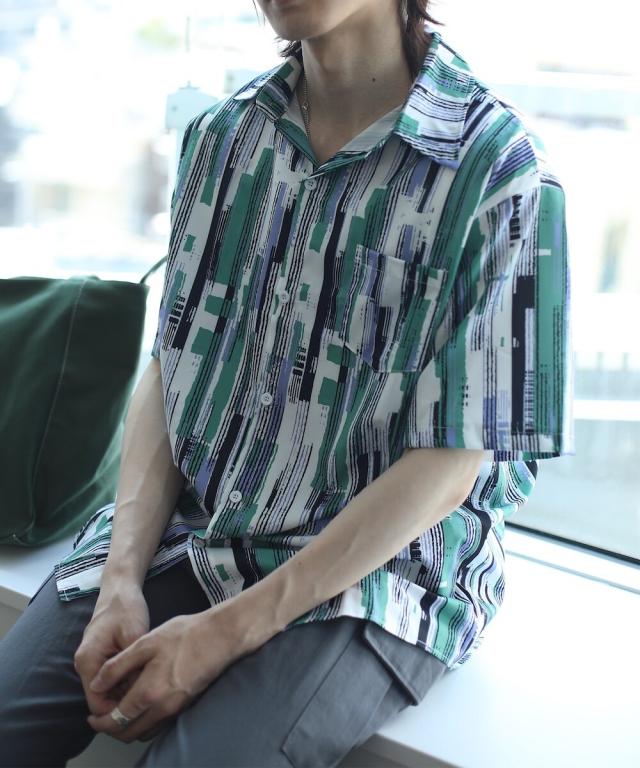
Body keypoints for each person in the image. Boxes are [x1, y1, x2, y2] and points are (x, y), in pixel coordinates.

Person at [0, 0, 574, 766]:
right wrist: (120, 577)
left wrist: (223, 634)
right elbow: (174, 364)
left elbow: (452, 464)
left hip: (379, 575)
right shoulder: (222, 137)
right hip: (196, 530)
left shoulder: (503, 174)